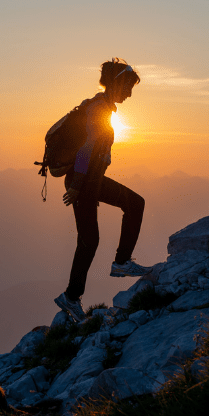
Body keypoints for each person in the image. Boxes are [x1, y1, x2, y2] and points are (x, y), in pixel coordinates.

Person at [54, 58, 152, 322]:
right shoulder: (99, 109)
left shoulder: (101, 106)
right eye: (128, 87)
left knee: (133, 204)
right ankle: (72, 297)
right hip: (83, 181)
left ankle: (120, 264)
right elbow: (86, 150)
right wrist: (76, 187)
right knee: (90, 239)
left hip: (90, 181)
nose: (130, 94)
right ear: (118, 84)